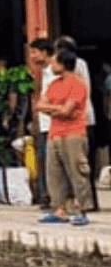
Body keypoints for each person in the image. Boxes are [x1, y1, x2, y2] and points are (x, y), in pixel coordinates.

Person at [37, 47, 93, 225]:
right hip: (55, 134)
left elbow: (67, 111)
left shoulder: (78, 83)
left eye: (54, 62)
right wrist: (57, 109)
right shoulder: (54, 84)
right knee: (54, 173)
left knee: (77, 172)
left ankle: (82, 209)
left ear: (63, 64)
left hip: (74, 133)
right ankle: (59, 209)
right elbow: (39, 105)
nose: (51, 65)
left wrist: (52, 109)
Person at [56, 35, 99, 212]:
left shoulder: (75, 65)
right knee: (80, 163)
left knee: (80, 163)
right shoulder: (78, 65)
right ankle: (83, 201)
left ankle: (85, 202)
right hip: (81, 117)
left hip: (79, 118)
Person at [27, 38, 55, 208]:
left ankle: (53, 198)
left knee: (52, 163)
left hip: (55, 124)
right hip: (44, 124)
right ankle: (45, 197)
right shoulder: (42, 72)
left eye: (34, 52)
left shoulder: (55, 72)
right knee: (43, 161)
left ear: (44, 52)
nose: (31, 56)